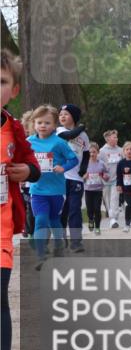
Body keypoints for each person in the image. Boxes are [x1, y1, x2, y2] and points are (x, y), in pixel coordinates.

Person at [1, 50, 40, 350]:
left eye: (1, 82)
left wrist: (27, 171)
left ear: (13, 90)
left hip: (1, 228)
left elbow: (33, 164)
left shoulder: (13, 128)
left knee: (0, 296)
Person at [26, 106, 78, 266]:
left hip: (56, 190)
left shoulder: (59, 142)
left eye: (47, 123)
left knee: (54, 220)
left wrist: (63, 168)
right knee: (41, 219)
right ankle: (41, 256)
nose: (43, 126)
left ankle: (59, 246)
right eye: (39, 122)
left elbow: (73, 159)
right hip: (37, 189)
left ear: (55, 125)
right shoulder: (29, 142)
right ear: (34, 124)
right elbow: (21, 158)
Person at [56, 104, 89, 252]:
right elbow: (70, 136)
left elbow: (87, 152)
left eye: (66, 114)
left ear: (73, 117)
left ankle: (76, 241)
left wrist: (83, 168)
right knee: (62, 210)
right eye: (60, 114)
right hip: (61, 177)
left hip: (76, 179)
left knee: (75, 209)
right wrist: (81, 127)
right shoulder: (59, 131)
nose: (62, 116)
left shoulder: (83, 136)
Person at [98, 130, 123, 229]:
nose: (116, 139)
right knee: (107, 200)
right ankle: (111, 217)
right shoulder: (102, 151)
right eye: (114, 137)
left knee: (115, 198)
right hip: (105, 181)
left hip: (117, 180)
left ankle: (114, 219)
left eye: (117, 137)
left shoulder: (120, 150)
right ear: (108, 139)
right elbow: (97, 165)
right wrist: (102, 174)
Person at [82, 142, 106, 234]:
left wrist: (104, 175)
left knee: (97, 208)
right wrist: (84, 176)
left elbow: (107, 174)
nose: (92, 154)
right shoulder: (84, 164)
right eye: (90, 152)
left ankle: (97, 227)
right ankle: (90, 219)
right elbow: (80, 177)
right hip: (88, 190)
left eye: (94, 152)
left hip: (98, 189)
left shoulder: (101, 164)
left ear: (98, 152)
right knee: (89, 209)